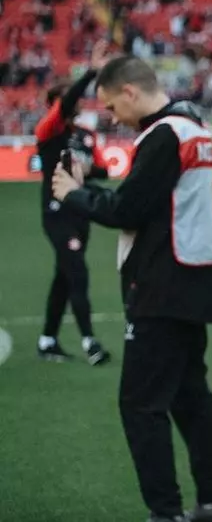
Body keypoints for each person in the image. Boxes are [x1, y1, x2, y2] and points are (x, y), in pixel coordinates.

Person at [51, 56, 212, 522]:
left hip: (160, 283)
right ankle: (211, 500)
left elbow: (127, 210)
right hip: (194, 278)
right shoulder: (192, 125)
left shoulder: (164, 134)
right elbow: (151, 197)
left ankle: (165, 512)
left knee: (140, 403)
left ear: (129, 92)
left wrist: (73, 194)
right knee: (190, 396)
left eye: (112, 105)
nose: (112, 116)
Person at [34, 40, 111, 365]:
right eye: (69, 99)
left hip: (80, 212)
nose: (76, 103)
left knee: (64, 277)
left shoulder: (85, 136)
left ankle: (47, 340)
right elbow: (65, 104)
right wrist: (90, 73)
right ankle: (90, 342)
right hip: (57, 214)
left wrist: (88, 171)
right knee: (78, 273)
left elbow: (104, 170)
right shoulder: (48, 129)